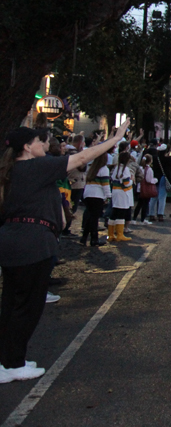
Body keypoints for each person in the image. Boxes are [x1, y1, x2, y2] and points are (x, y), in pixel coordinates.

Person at [0, 121, 129, 383]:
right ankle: (13, 364)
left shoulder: (12, 171)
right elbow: (81, 157)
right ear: (27, 147)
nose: (46, 145)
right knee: (27, 307)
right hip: (33, 243)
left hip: (13, 241)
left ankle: (8, 360)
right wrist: (115, 138)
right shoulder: (35, 167)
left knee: (12, 303)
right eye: (40, 141)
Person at [81, 153, 111, 246]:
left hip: (88, 193)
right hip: (97, 195)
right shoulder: (104, 169)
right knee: (94, 218)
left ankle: (84, 237)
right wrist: (108, 196)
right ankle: (94, 239)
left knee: (90, 216)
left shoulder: (91, 168)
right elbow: (105, 184)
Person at [108, 152, 135, 243]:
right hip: (123, 192)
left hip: (115, 191)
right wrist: (131, 180)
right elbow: (126, 183)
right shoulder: (126, 169)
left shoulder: (116, 168)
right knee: (121, 212)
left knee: (114, 212)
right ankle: (119, 234)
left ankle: (110, 234)